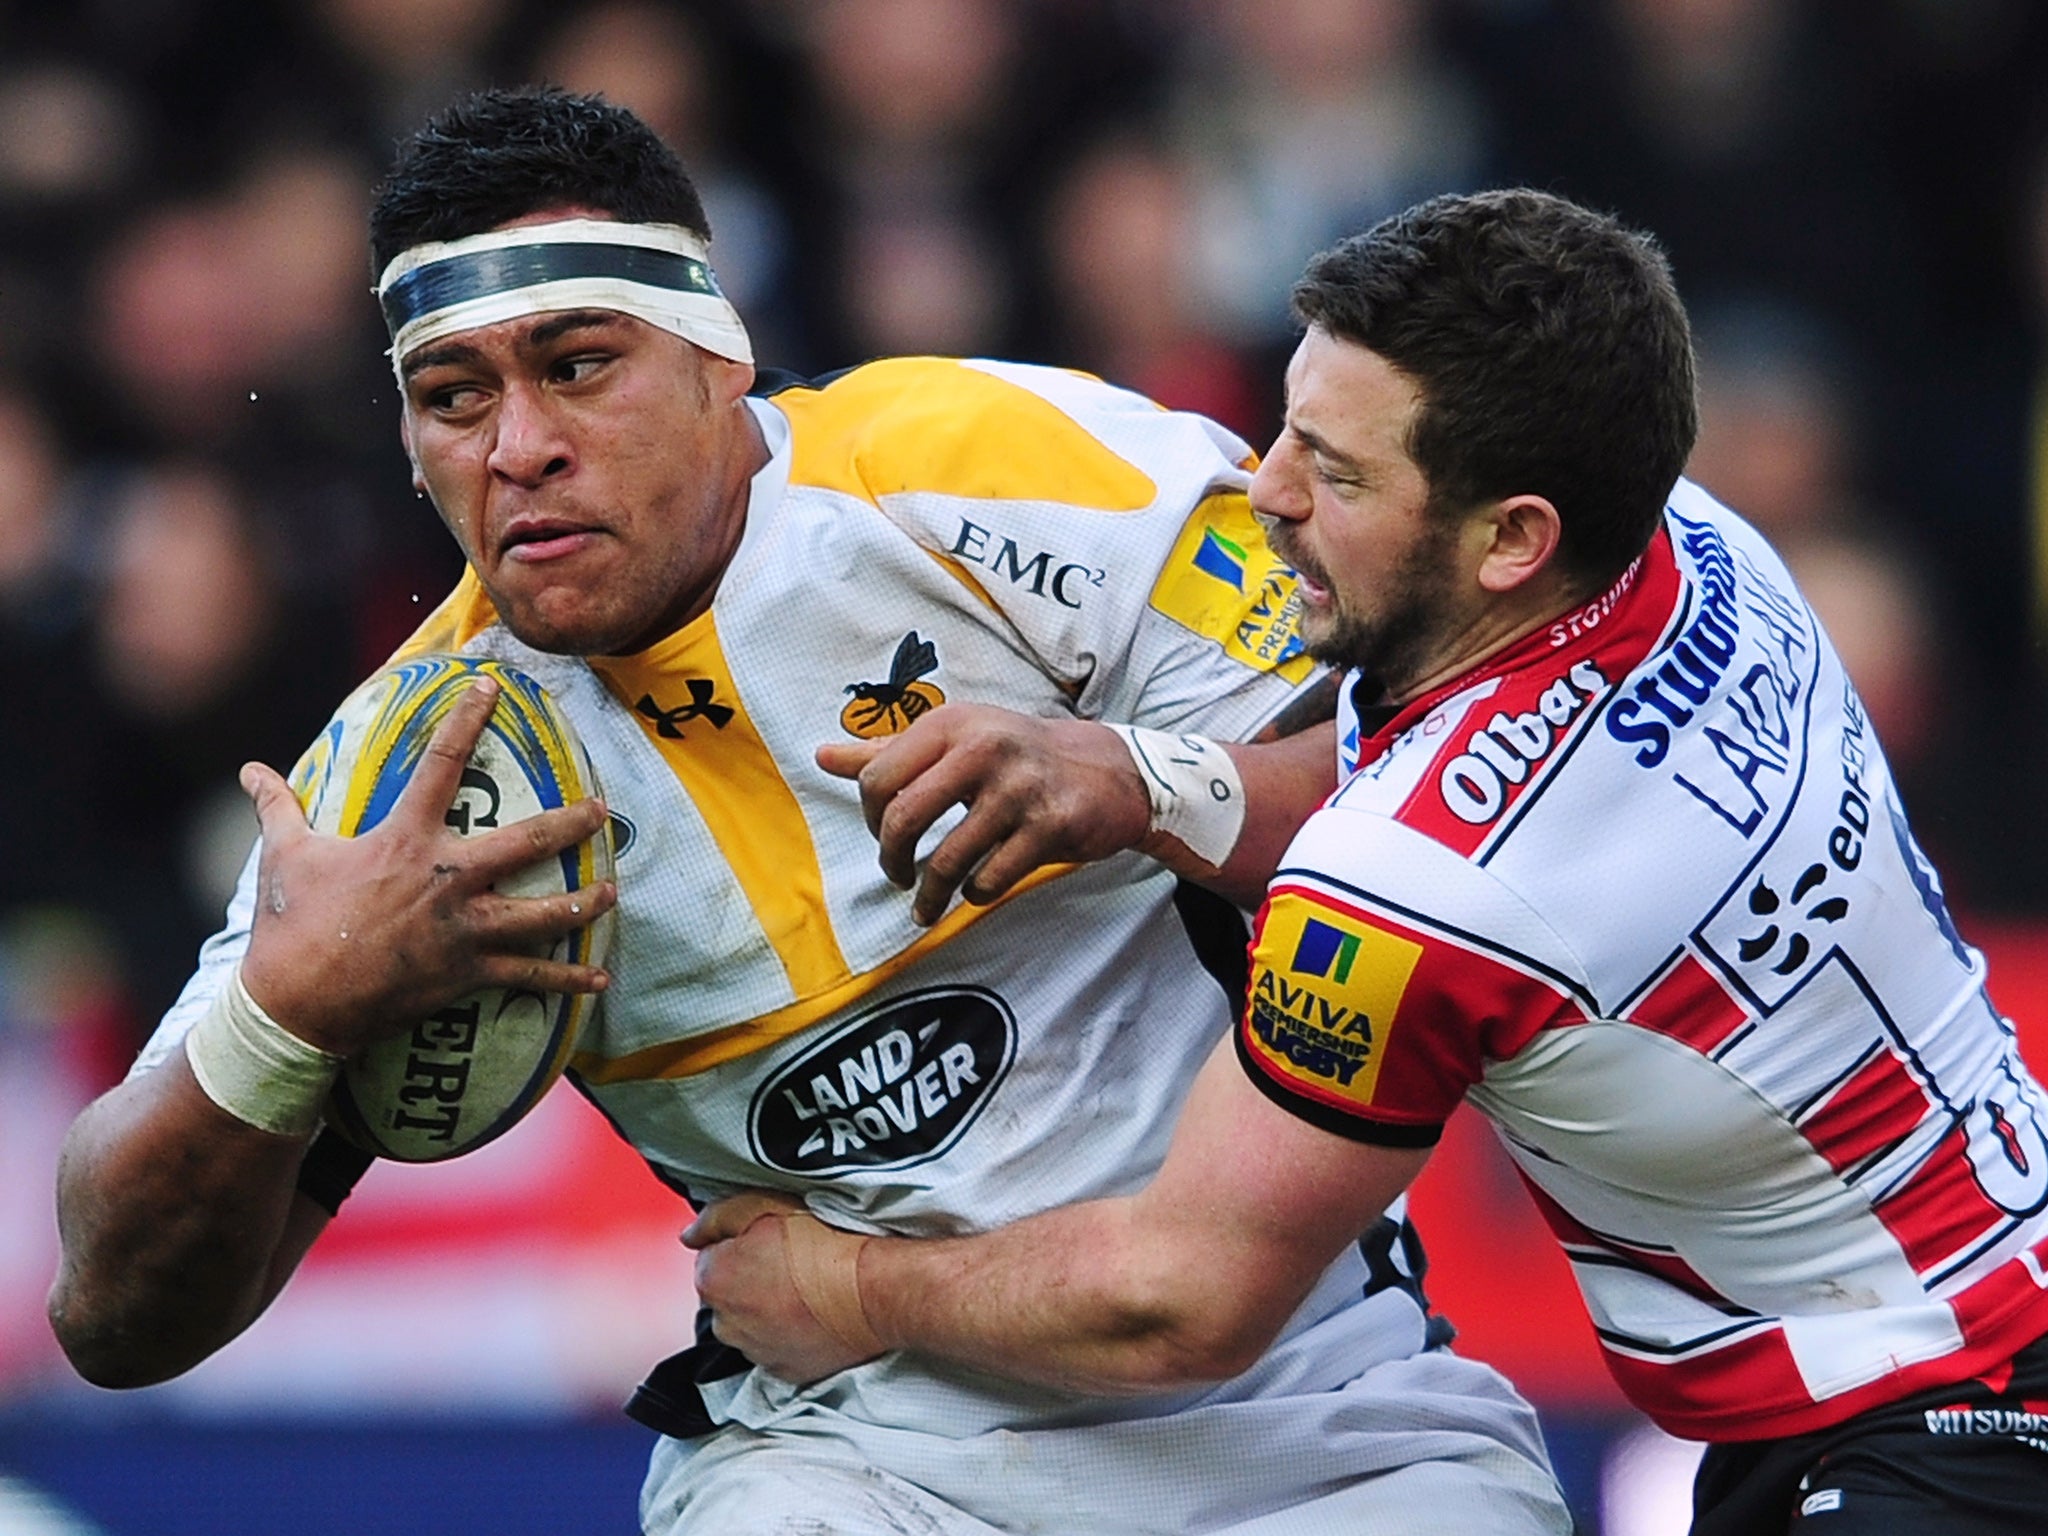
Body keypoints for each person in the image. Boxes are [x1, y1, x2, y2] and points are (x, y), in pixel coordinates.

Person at [46, 90, 1573, 1536]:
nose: (518, 449)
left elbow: (1457, 792)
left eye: (578, 365)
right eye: (455, 399)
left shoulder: (990, 474)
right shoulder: (420, 781)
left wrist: (1144, 784)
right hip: (852, 1461)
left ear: (722, 354)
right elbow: (115, 1318)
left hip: (1310, 1413)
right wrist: (287, 1014)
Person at [689, 188, 2048, 1536]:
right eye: (1288, 427)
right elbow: (1441, 766)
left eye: (1333, 474)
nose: (1262, 491)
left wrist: (851, 1292)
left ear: (1512, 537)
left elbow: (1184, 1299)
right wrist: (1140, 777)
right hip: (1964, 1316)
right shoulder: (1690, 542)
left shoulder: (1414, 897)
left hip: (1938, 1425)